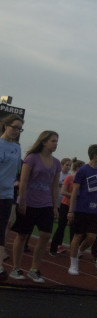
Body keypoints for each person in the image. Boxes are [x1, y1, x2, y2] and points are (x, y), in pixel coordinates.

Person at [10, 131, 61, 283]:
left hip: (45, 203)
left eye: (57, 141)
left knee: (45, 235)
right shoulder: (31, 158)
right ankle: (16, 267)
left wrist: (55, 206)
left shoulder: (56, 163)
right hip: (29, 202)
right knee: (22, 235)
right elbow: (24, 181)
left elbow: (54, 186)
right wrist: (22, 200)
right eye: (53, 141)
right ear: (44, 142)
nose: (56, 144)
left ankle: (34, 269)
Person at [67, 144, 97, 275]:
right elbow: (75, 191)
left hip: (94, 211)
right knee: (77, 236)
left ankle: (78, 252)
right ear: (95, 155)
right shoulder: (83, 170)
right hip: (81, 209)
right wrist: (71, 210)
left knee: (92, 237)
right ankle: (73, 264)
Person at [0, 114, 23, 280]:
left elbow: (15, 170)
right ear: (5, 125)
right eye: (14, 127)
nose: (16, 131)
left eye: (19, 128)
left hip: (7, 194)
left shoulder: (17, 148)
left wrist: (16, 182)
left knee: (2, 229)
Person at [49, 157, 72, 255]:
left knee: (61, 225)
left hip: (63, 203)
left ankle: (59, 245)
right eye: (66, 165)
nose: (68, 167)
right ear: (62, 165)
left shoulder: (70, 176)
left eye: (69, 165)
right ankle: (51, 243)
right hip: (53, 202)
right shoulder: (58, 174)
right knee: (50, 223)